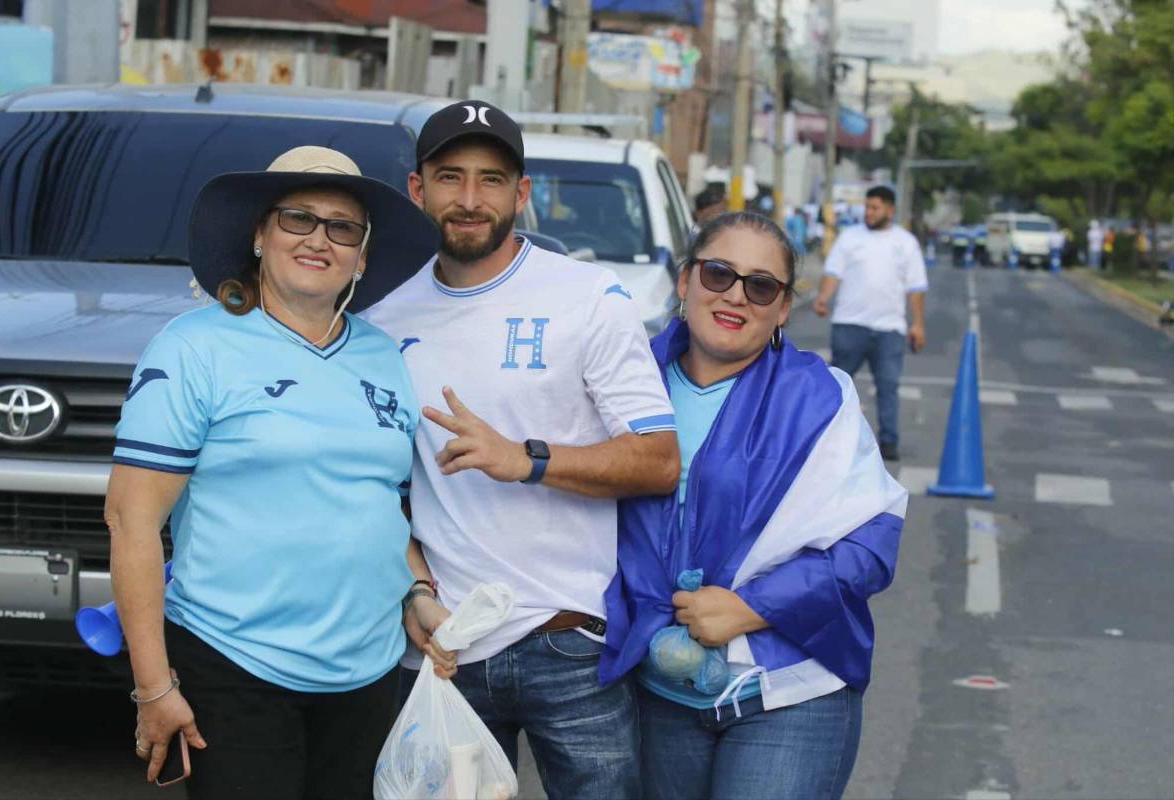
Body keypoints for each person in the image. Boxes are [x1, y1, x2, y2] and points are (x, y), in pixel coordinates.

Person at [363, 100, 680, 800]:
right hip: (445, 647)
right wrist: (415, 590)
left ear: (523, 193)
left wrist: (530, 459)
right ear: (419, 190)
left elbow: (659, 460)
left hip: (569, 641)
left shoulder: (589, 296)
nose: (470, 199)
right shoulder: (381, 324)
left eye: (492, 179)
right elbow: (379, 494)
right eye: (450, 177)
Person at [107, 146, 438, 799]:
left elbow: (381, 510)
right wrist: (155, 687)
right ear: (259, 235)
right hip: (234, 664)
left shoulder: (383, 356)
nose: (320, 239)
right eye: (298, 219)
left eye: (344, 227)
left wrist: (417, 593)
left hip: (367, 674)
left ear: (363, 256)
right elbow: (131, 520)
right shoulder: (192, 347)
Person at [600, 212, 907, 800]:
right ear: (686, 280)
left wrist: (750, 608)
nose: (736, 295)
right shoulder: (621, 382)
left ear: (783, 308)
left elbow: (871, 544)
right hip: (655, 691)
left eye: (761, 285)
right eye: (719, 274)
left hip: (789, 692)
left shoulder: (821, 398)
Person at [812, 185, 927, 462]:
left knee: (888, 386)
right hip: (850, 325)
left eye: (874, 208)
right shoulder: (850, 238)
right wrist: (823, 298)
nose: (869, 212)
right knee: (836, 385)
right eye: (867, 207)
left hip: (890, 330)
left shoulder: (906, 243)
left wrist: (918, 324)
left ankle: (889, 442)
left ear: (890, 210)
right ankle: (824, 437)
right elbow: (833, 273)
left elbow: (916, 288)